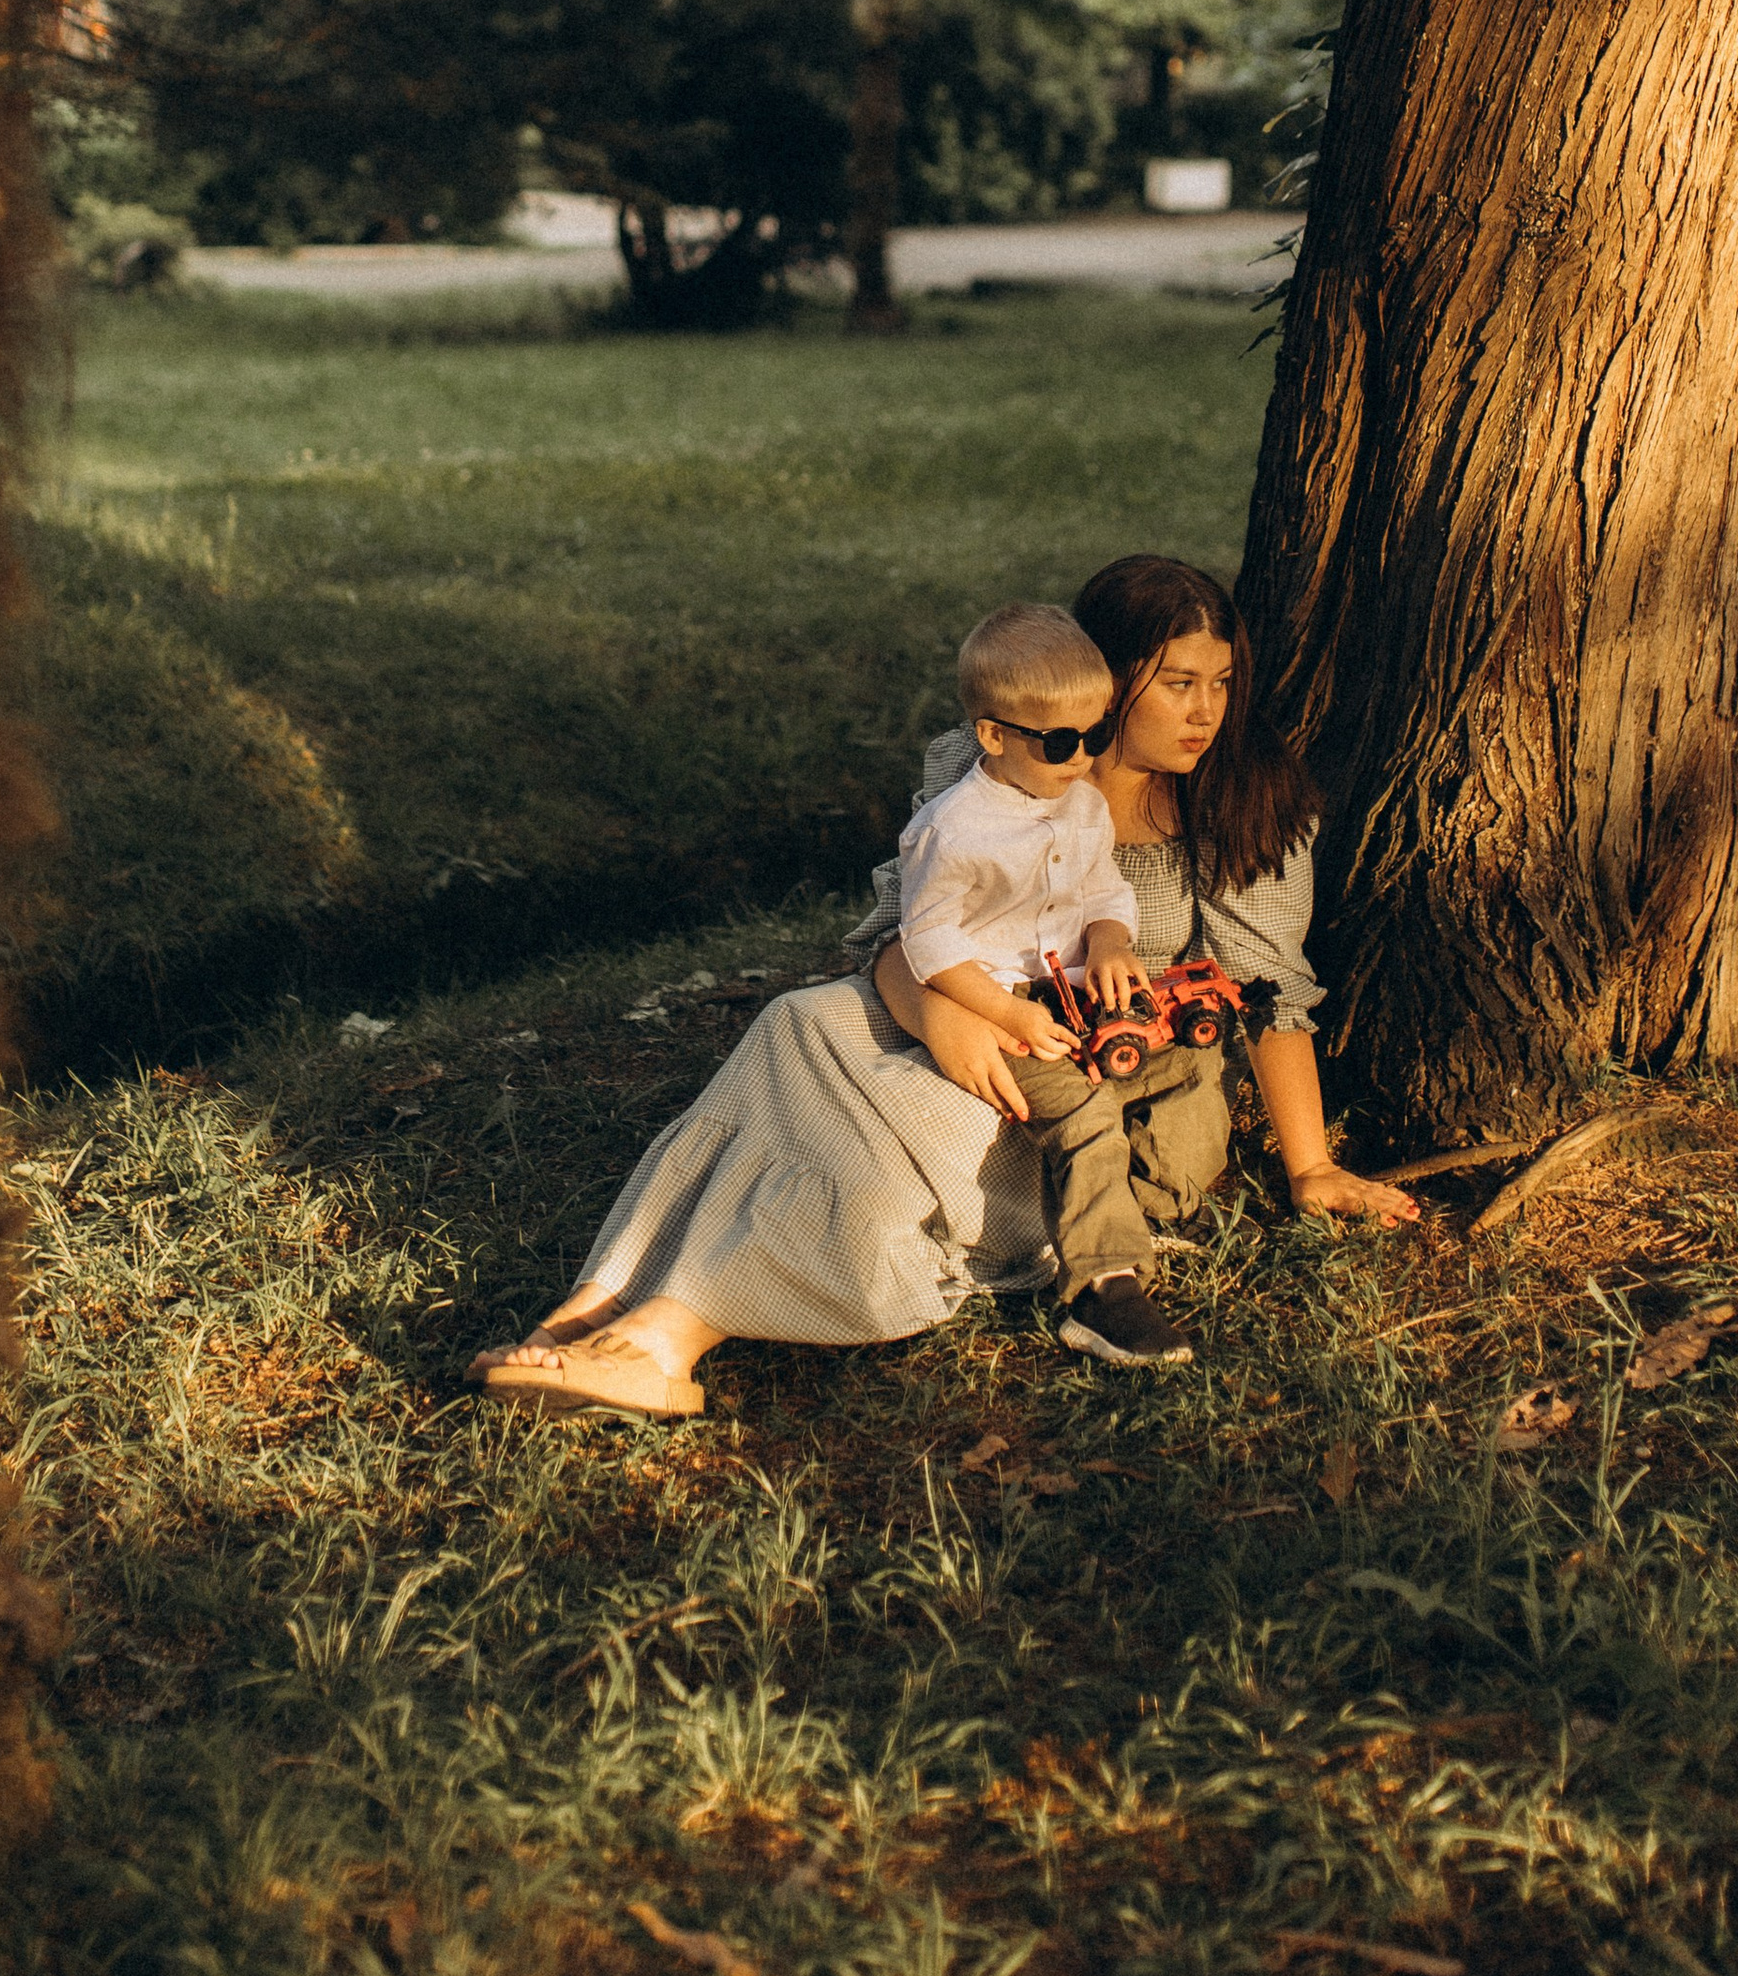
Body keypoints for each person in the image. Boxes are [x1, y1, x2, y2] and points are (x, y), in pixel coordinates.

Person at [467, 554, 1419, 1422]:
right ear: (1103, 682)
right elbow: (901, 939)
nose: (1205, 712)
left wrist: (1310, 1168)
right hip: (972, 1016)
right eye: (1176, 685)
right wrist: (947, 1023)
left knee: (890, 1157)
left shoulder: (1251, 805)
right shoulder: (986, 765)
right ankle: (596, 1303)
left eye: (1219, 684)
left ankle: (665, 1340)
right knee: (799, 1022)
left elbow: (1272, 997)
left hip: (1098, 1077)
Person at [896, 602, 1206, 1370]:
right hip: (997, 1005)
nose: (1081, 759)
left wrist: (1108, 941)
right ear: (994, 736)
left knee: (1180, 1060)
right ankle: (1103, 1292)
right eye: (1062, 743)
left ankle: (1150, 1208)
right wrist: (1003, 1012)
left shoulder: (1083, 804)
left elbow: (1103, 893)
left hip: (1072, 992)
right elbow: (928, 940)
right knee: (1083, 1107)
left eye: (1096, 736)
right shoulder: (955, 829)